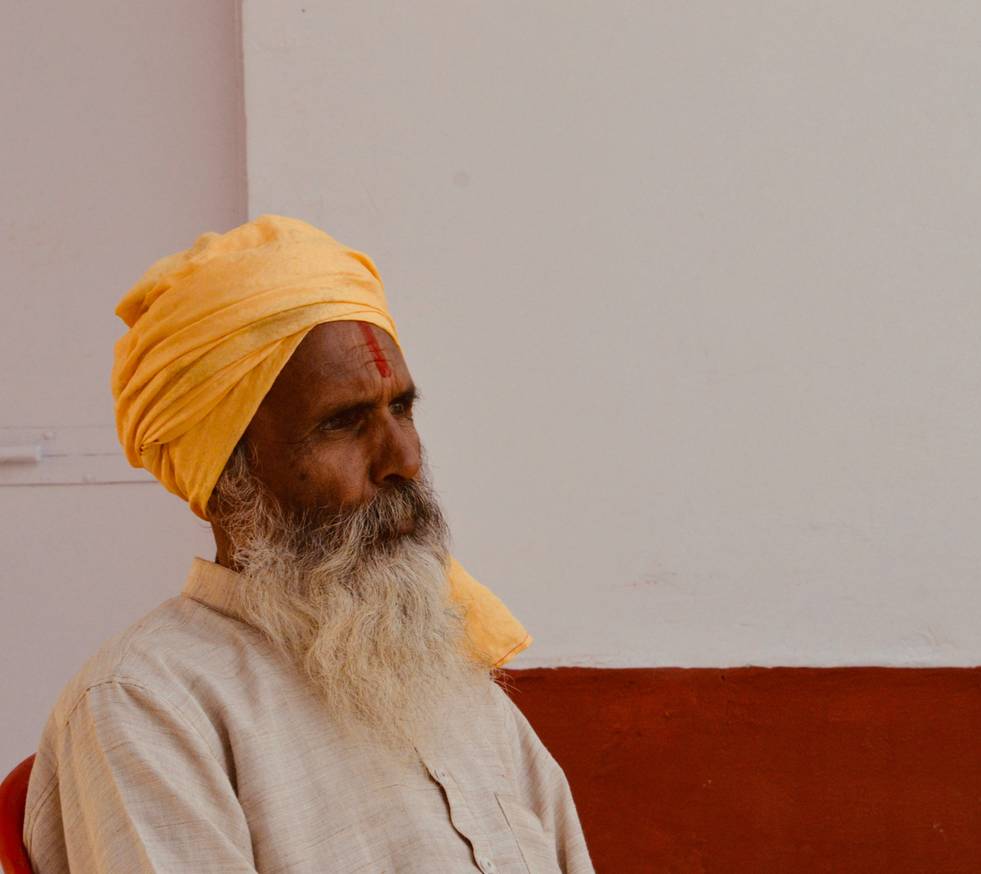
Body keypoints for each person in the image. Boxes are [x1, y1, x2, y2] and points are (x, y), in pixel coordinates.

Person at [22, 215, 593, 873]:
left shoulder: (451, 685)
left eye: (402, 409)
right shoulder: (146, 706)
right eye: (343, 424)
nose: (403, 458)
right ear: (228, 475)